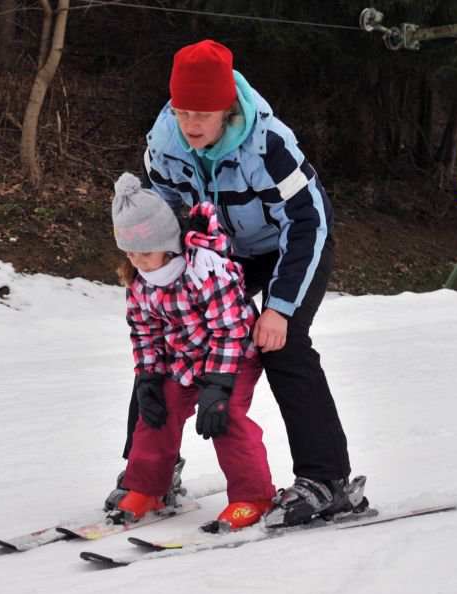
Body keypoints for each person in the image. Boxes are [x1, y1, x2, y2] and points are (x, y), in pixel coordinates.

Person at [138, 39, 362, 526]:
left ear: (226, 108)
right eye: (182, 112)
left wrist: (278, 308)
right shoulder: (162, 145)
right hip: (221, 251)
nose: (191, 124)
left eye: (202, 114)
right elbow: (162, 221)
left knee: (281, 344)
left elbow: (308, 221)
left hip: (290, 243)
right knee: (168, 341)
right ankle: (149, 473)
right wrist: (162, 288)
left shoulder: (269, 145)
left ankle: (328, 480)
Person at [109, 172, 275, 530]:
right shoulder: (140, 282)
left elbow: (230, 328)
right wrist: (148, 377)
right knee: (157, 413)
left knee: (226, 417)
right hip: (185, 360)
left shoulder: (205, 270)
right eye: (130, 253)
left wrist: (218, 385)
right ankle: (148, 488)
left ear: (168, 244)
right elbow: (144, 331)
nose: (138, 261)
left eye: (145, 252)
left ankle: (254, 497)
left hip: (233, 357)